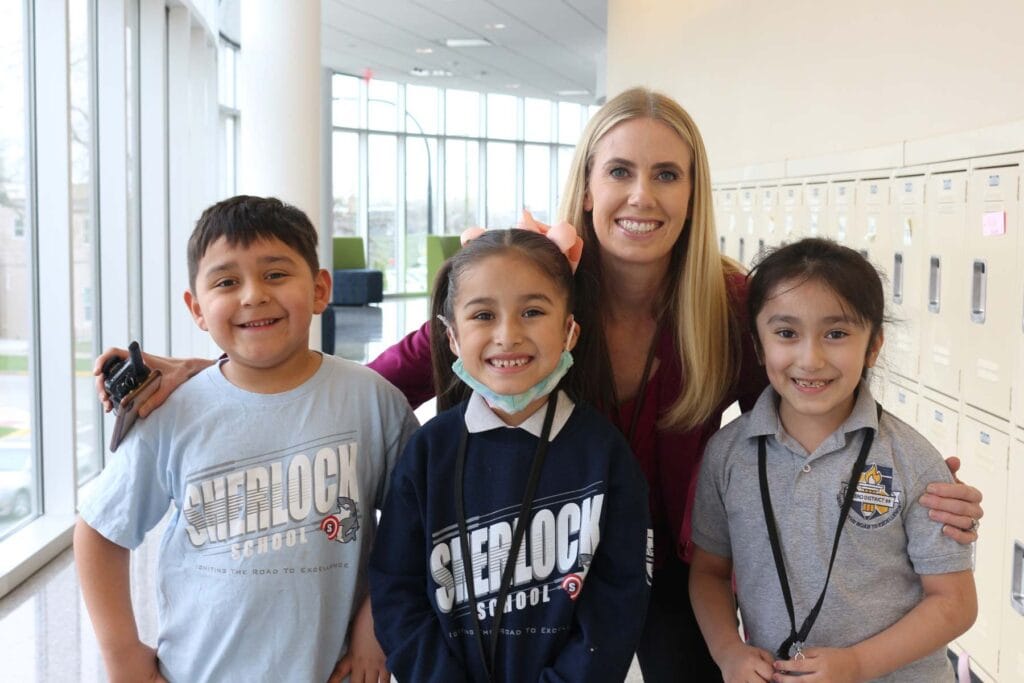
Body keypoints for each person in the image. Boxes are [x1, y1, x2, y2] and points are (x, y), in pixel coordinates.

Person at [93, 87, 984, 680]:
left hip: (673, 570)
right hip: (534, 558)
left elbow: (811, 388)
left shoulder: (731, 302)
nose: (643, 195)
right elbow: (372, 381)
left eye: (667, 174)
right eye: (621, 171)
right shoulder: (537, 290)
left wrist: (903, 469)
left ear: (691, 189)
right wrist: (220, 372)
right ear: (588, 184)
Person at [75, 195, 419, 682]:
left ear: (321, 289)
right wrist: (122, 654)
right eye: (226, 282)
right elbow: (99, 530)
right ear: (196, 308)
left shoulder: (373, 401)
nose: (253, 295)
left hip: (333, 670)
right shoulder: (171, 411)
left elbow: (417, 526)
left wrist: (373, 630)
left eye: (276, 274)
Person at [368, 227, 651, 682]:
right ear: (452, 338)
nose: (508, 335)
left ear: (569, 330)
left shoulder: (606, 455)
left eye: (533, 311)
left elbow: (619, 597)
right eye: (483, 315)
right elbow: (396, 588)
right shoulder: (428, 452)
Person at [689, 238, 977, 683]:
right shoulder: (728, 455)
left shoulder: (913, 461)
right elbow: (709, 572)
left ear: (873, 346)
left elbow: (954, 603)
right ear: (759, 346)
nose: (811, 358)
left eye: (837, 334)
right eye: (786, 334)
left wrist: (857, 664)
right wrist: (729, 651)